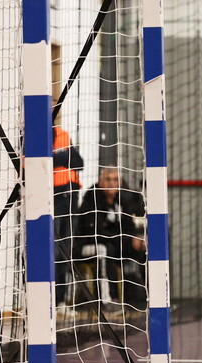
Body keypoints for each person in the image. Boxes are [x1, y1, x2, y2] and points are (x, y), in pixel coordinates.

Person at [74, 167, 146, 305]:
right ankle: (107, 300)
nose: (112, 183)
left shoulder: (122, 200)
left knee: (144, 249)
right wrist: (126, 240)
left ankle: (147, 295)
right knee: (106, 249)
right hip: (86, 245)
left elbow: (128, 226)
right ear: (100, 181)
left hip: (115, 243)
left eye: (115, 180)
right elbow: (94, 232)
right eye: (108, 179)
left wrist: (136, 238)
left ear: (120, 182)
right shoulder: (92, 198)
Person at [53, 126, 83, 307]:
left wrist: (60, 158)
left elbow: (79, 162)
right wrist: (64, 158)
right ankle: (51, 299)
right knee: (54, 251)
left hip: (71, 198)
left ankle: (61, 300)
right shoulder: (35, 133)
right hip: (53, 198)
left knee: (66, 252)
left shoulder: (63, 134)